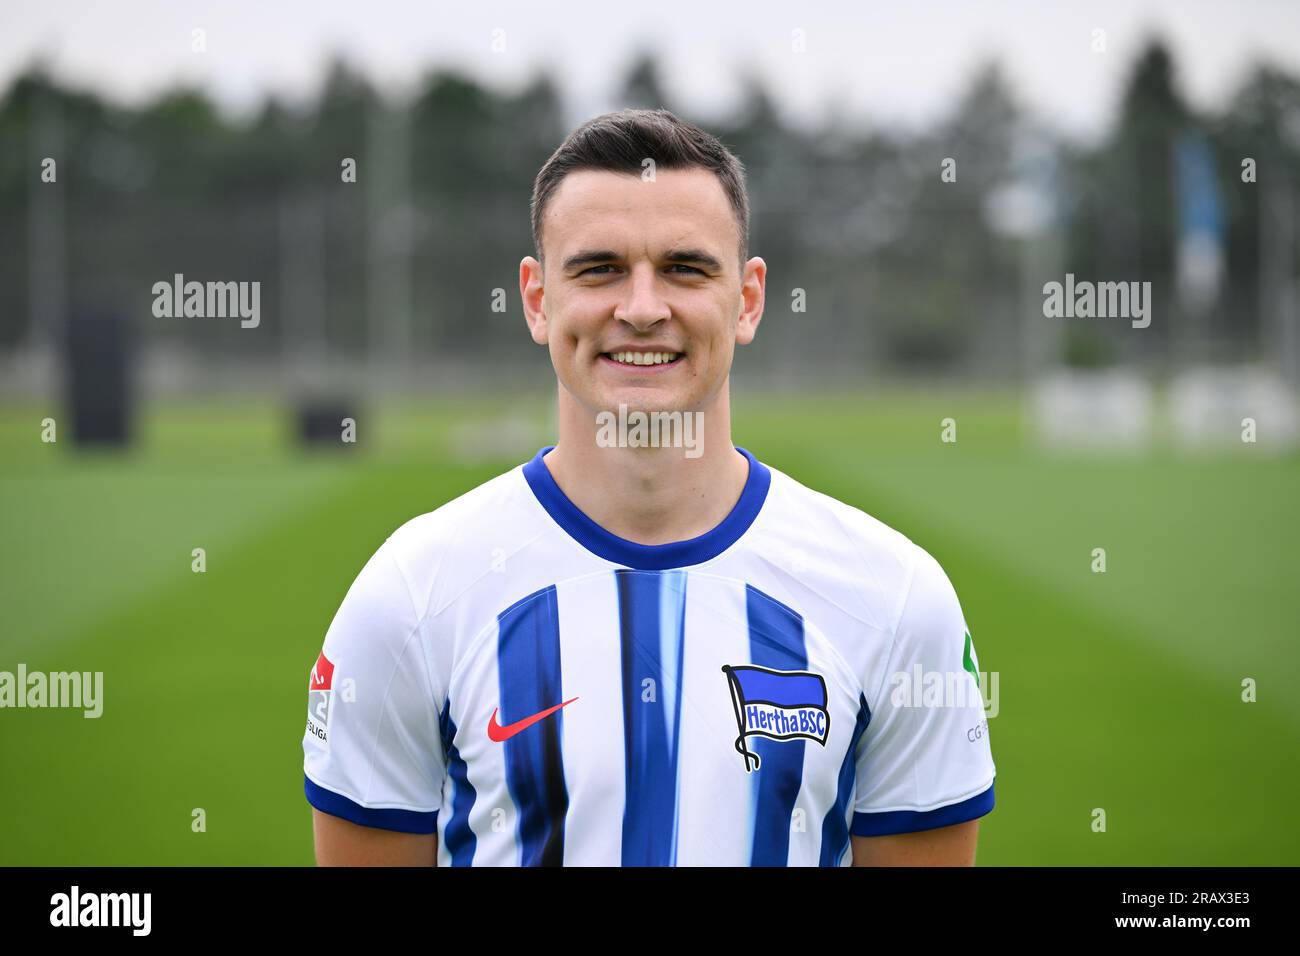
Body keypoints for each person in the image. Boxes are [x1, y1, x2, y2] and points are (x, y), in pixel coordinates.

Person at [304, 108, 995, 866]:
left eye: (684, 268)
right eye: (599, 268)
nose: (640, 309)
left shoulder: (895, 600)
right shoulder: (409, 596)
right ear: (537, 299)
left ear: (750, 298)